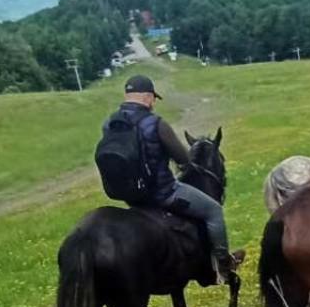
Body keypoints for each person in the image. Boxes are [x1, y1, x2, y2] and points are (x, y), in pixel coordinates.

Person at [102, 74, 245, 279]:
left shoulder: (110, 124)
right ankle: (224, 263)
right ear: (147, 96)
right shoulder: (156, 123)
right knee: (214, 211)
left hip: (131, 196)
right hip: (163, 193)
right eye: (153, 99)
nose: (153, 104)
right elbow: (184, 160)